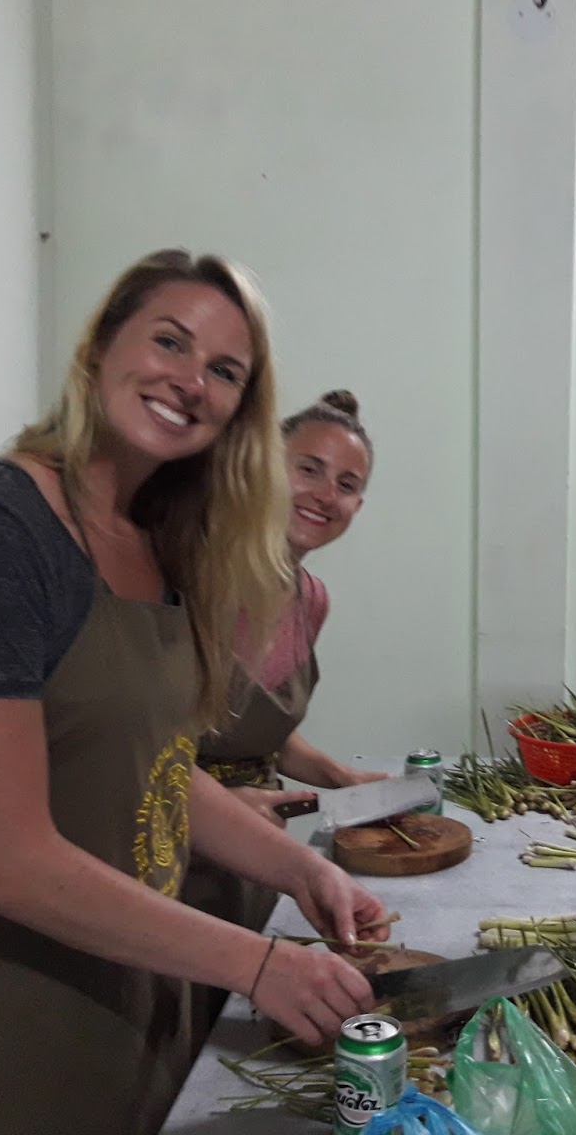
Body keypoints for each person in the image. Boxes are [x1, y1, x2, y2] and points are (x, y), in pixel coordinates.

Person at [0, 250, 392, 1135]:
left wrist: (302, 868)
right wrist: (259, 964)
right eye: (169, 342)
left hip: (125, 969)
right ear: (101, 345)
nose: (191, 381)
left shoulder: (161, 541)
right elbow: (7, 863)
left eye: (225, 371)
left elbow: (151, 767)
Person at [186, 389, 389, 937]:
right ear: (263, 465)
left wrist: (338, 777)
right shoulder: (192, 576)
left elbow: (257, 731)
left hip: (258, 860)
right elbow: (129, 748)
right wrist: (224, 804)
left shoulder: (311, 600)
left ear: (358, 507)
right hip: (166, 853)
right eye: (309, 470)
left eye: (347, 486)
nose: (326, 495)